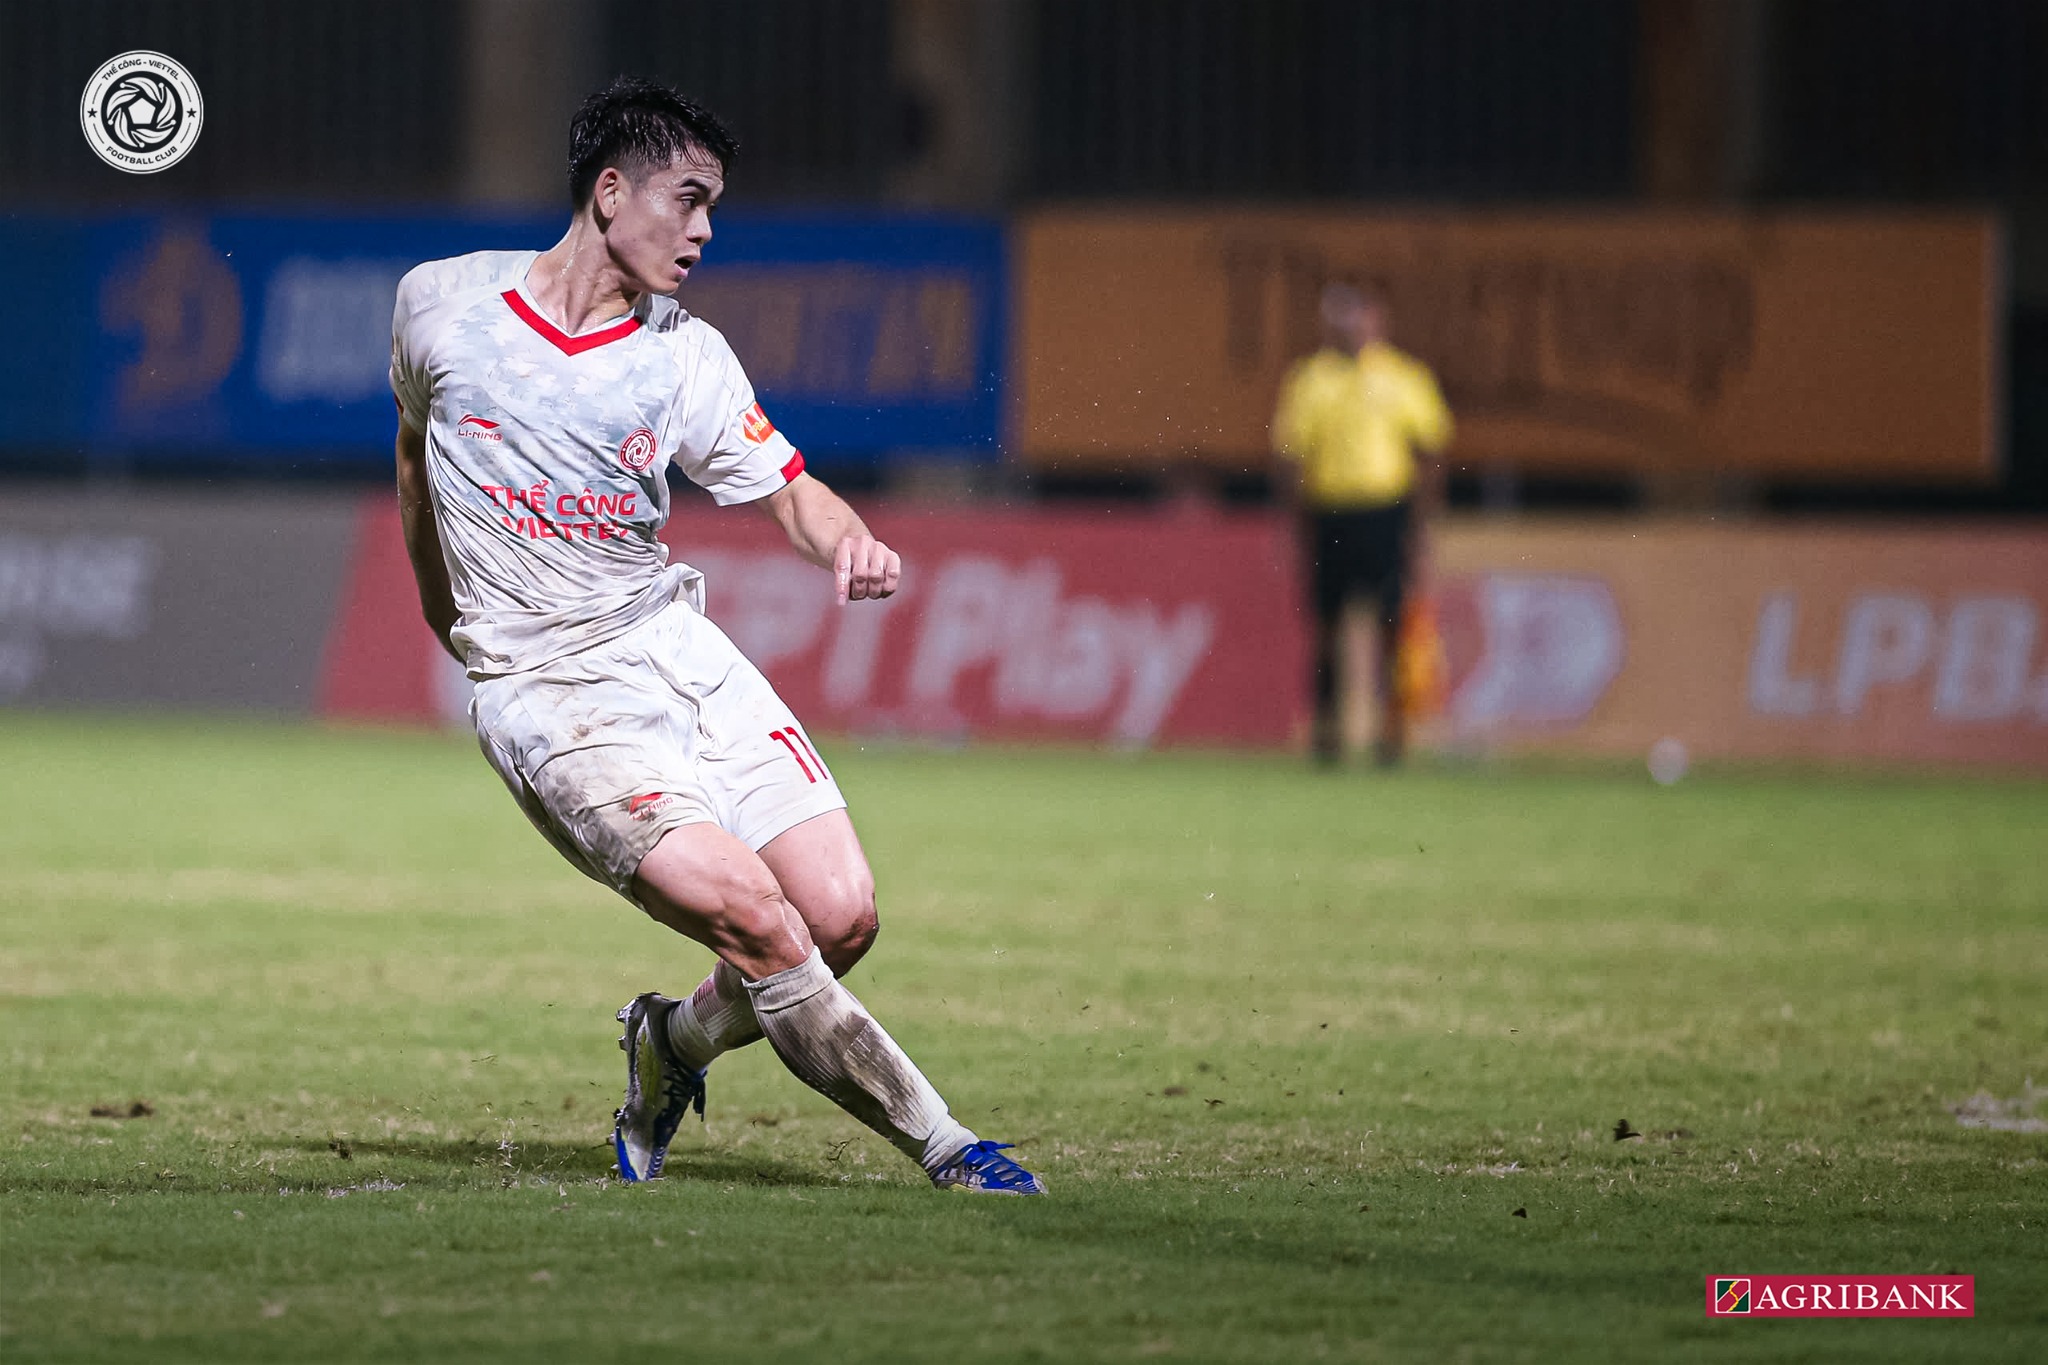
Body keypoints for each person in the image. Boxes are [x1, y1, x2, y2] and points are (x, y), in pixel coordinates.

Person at [389, 76, 1043, 1195]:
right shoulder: (440, 306)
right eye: (687, 201)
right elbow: (416, 450)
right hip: (551, 692)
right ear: (610, 192)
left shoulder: (685, 354)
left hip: (672, 650)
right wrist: (438, 605)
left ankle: (672, 1041)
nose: (703, 233)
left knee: (839, 916)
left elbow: (788, 488)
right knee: (758, 919)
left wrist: (847, 538)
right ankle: (950, 1148)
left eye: (712, 208)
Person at [1271, 283, 1452, 766]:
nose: (1350, 328)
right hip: (1329, 511)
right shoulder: (1310, 380)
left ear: (1377, 320)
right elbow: (1291, 455)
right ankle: (1327, 730)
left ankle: (1392, 731)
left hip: (1384, 511)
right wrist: (1292, 522)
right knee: (1326, 626)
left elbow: (1430, 450)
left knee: (1391, 623)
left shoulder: (1403, 377)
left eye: (1358, 317)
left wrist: (1420, 521)